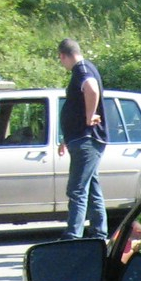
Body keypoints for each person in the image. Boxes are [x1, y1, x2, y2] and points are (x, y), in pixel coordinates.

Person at [55, 37, 107, 240]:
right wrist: (66, 137)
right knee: (91, 188)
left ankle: (73, 236)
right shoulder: (84, 68)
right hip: (81, 138)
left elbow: (92, 88)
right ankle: (99, 234)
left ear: (63, 56)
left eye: (61, 60)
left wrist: (89, 115)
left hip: (87, 138)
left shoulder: (82, 69)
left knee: (76, 189)